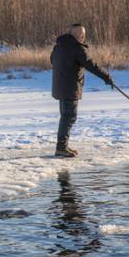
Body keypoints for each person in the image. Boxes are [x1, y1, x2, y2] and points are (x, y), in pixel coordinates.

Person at [50, 24, 114, 158]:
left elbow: (52, 61)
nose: (82, 37)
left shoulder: (58, 46)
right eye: (79, 35)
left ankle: (63, 146)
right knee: (69, 117)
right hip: (70, 87)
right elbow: (91, 65)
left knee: (66, 117)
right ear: (72, 34)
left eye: (83, 35)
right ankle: (61, 147)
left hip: (60, 87)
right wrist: (106, 77)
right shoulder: (77, 49)